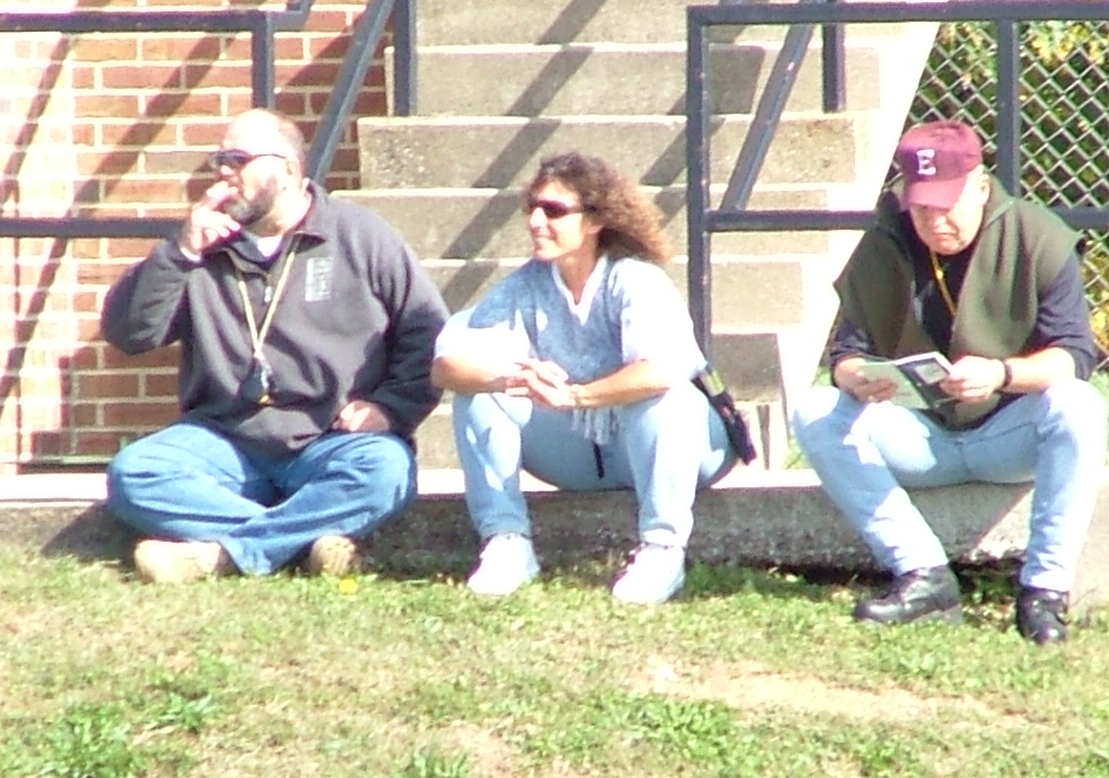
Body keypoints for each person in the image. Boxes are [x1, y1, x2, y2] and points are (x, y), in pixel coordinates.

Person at [101, 108, 448, 583]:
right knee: (136, 473)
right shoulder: (202, 248)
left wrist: (390, 409)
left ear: (288, 169)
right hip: (225, 441)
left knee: (385, 471)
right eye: (220, 160)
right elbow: (130, 334)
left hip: (332, 441)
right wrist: (180, 252)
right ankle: (302, 543)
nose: (225, 172)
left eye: (239, 160)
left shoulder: (359, 236)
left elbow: (428, 334)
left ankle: (218, 556)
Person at [792, 120, 1106, 644]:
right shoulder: (885, 241)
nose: (936, 221)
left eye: (947, 205)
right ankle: (923, 575)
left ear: (981, 187)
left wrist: (1002, 374)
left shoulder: (1037, 235)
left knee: (1078, 404)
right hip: (921, 436)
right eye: (922, 208)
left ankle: (1044, 593)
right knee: (816, 410)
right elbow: (846, 354)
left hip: (1009, 435)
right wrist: (859, 379)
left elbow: (1074, 355)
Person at [431, 151, 743, 605]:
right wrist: (512, 378)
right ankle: (507, 542)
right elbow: (446, 366)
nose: (536, 221)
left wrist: (575, 396)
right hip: (580, 449)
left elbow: (662, 369)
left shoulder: (635, 280)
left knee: (663, 396)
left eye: (553, 210)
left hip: (684, 446)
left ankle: (663, 549)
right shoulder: (525, 285)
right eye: (532, 208)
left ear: (595, 220)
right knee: (477, 393)